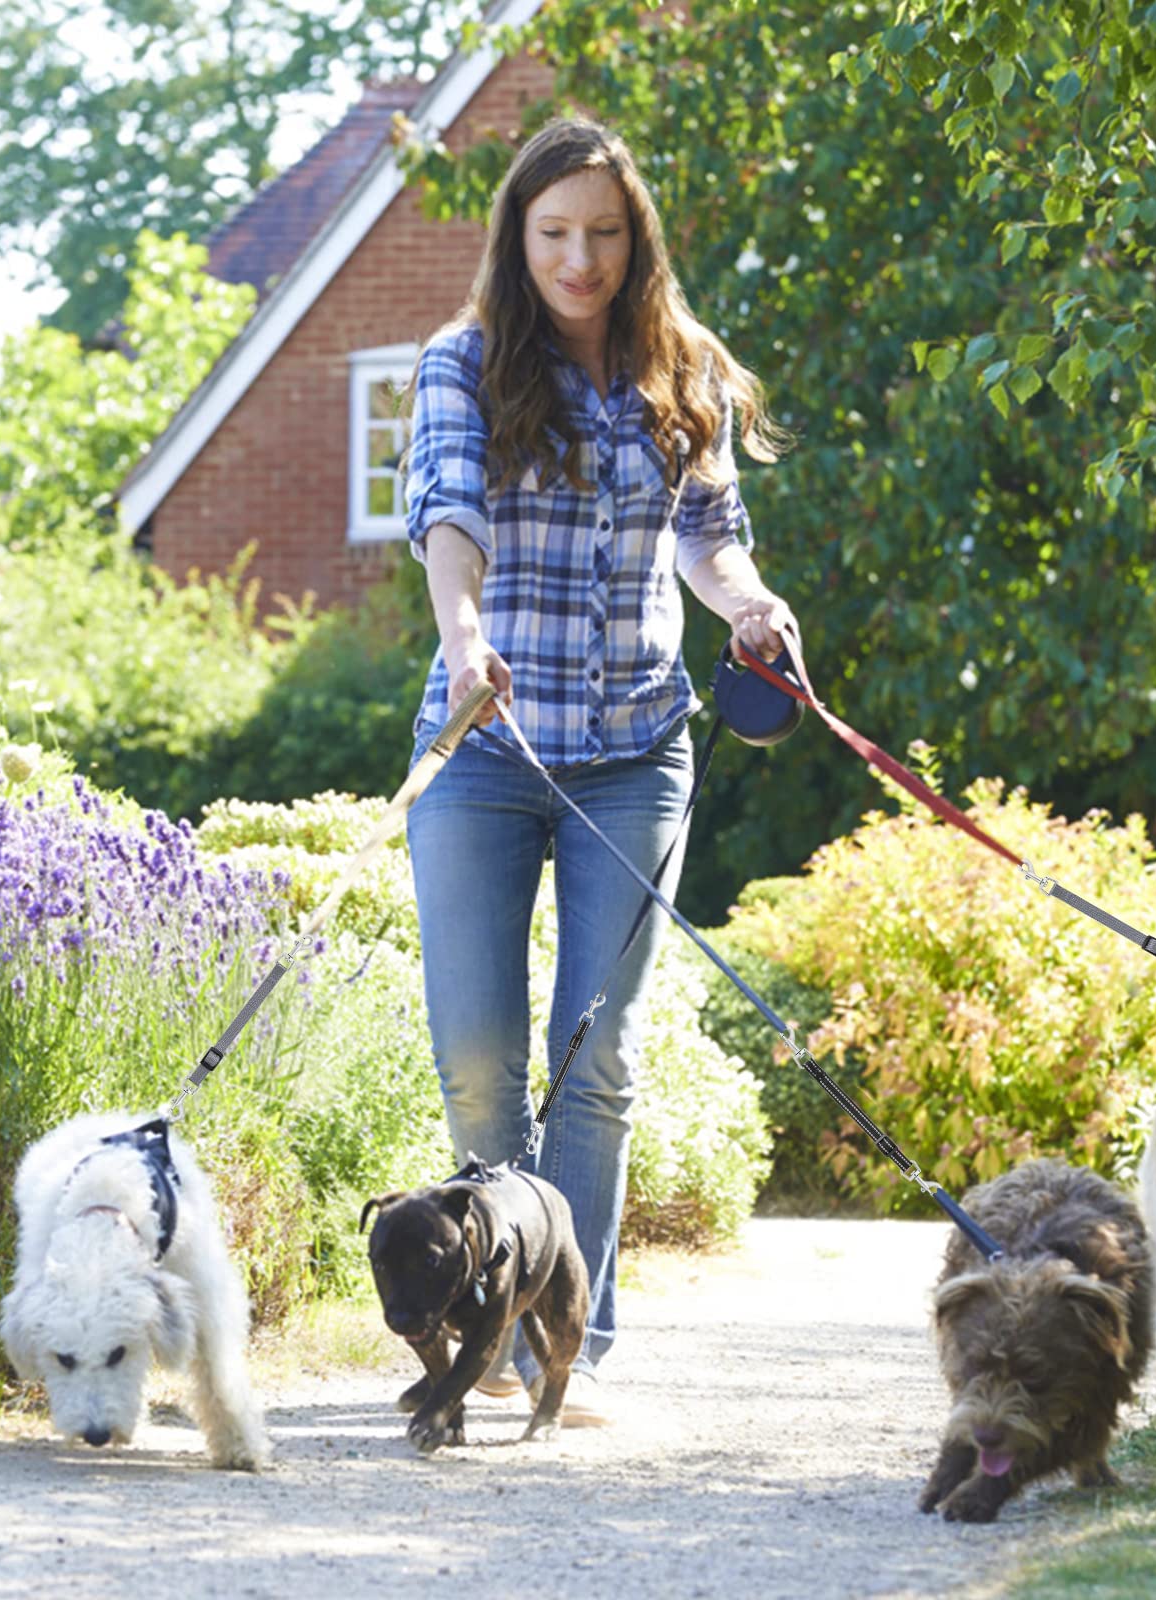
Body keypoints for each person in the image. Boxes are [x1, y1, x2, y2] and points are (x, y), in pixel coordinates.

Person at [401, 117, 798, 1426]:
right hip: (482, 749)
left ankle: (558, 1350)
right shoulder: (463, 363)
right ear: (519, 239)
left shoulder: (681, 370)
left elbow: (711, 540)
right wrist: (466, 638)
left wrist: (750, 608)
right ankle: (486, 1314)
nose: (580, 257)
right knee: (478, 1061)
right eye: (555, 232)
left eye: (604, 233)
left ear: (638, 242)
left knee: (599, 1054)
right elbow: (446, 514)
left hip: (634, 751)